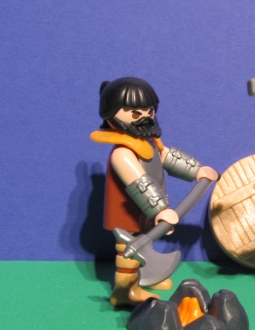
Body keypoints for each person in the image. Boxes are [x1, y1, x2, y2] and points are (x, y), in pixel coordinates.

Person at [90, 77, 218, 307]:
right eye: (135, 113)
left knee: (145, 241)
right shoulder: (122, 153)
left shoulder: (148, 142)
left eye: (149, 110)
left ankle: (145, 276)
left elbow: (168, 157)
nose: (145, 117)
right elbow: (140, 183)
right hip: (127, 214)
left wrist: (196, 170)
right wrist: (160, 210)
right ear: (112, 114)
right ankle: (124, 291)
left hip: (144, 211)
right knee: (130, 248)